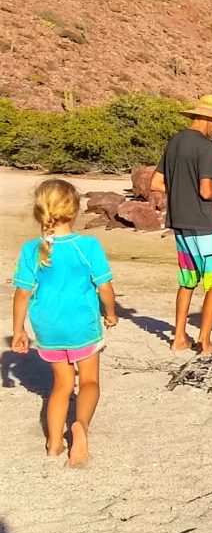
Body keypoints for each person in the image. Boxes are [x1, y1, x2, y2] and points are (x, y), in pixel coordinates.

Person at [11, 180, 118, 466]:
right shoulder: (87, 245)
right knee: (90, 381)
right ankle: (80, 425)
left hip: (47, 327)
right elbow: (104, 288)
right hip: (82, 325)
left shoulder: (32, 249)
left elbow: (22, 293)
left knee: (60, 384)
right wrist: (110, 312)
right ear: (74, 211)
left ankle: (54, 444)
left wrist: (18, 330)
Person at [151, 94, 212, 355]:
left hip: (179, 220)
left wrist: (180, 190)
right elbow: (206, 191)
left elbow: (155, 183)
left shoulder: (175, 141)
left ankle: (178, 338)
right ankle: (204, 340)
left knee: (188, 279)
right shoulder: (206, 148)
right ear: (209, 118)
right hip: (202, 222)